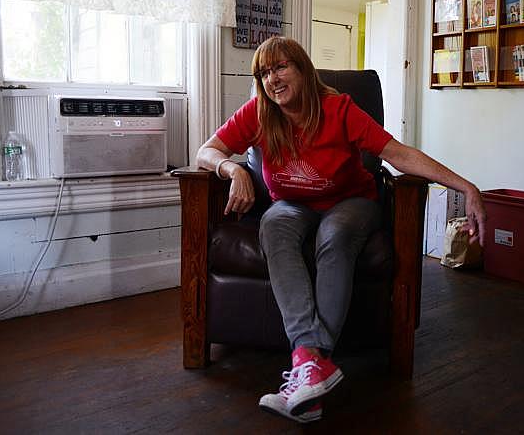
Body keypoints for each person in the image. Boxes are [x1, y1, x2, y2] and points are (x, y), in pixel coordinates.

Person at [195, 36, 486, 423]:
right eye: (264, 73)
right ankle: (310, 368)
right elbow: (206, 150)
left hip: (351, 202)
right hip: (291, 205)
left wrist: (466, 186)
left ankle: (311, 362)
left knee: (335, 236)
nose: (273, 79)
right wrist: (231, 169)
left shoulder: (339, 109)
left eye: (281, 67)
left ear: (302, 69)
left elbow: (398, 153)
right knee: (273, 225)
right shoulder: (260, 113)